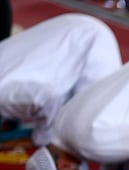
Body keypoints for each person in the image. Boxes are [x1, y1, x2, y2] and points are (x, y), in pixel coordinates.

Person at [0, 14, 121, 145]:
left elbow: (51, 97)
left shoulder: (3, 95)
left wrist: (40, 138)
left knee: (82, 132)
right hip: (79, 29)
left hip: (90, 44)